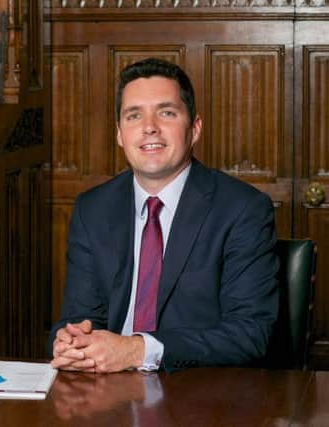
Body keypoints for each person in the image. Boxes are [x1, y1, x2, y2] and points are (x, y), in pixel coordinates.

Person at [50, 58, 279, 372]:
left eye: (166, 112)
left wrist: (136, 350)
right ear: (119, 134)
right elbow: (80, 318)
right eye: (134, 115)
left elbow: (250, 334)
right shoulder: (93, 209)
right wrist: (71, 341)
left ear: (194, 128)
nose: (149, 127)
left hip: (199, 396)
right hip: (106, 393)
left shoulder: (242, 209)